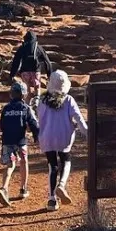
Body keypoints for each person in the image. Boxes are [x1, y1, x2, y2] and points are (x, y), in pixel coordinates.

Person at [37, 70, 88, 211]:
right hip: (64, 138)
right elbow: (79, 120)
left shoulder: (42, 100)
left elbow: (39, 119)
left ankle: (52, 200)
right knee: (66, 160)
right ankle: (62, 184)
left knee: (52, 166)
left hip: (47, 138)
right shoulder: (69, 100)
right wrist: (88, 133)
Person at [0, 79, 40, 206]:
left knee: (10, 165)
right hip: (20, 141)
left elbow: (2, 125)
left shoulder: (6, 108)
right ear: (24, 95)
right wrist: (37, 137)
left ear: (11, 94)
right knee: (24, 161)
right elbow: (34, 124)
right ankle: (23, 189)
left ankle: (4, 188)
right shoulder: (25, 108)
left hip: (7, 141)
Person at [8, 30, 53, 108]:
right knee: (37, 86)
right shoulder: (38, 47)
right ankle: (37, 99)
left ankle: (27, 104)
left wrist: (12, 74)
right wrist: (49, 74)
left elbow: (16, 61)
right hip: (36, 71)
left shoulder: (22, 47)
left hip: (25, 72)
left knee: (27, 88)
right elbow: (47, 61)